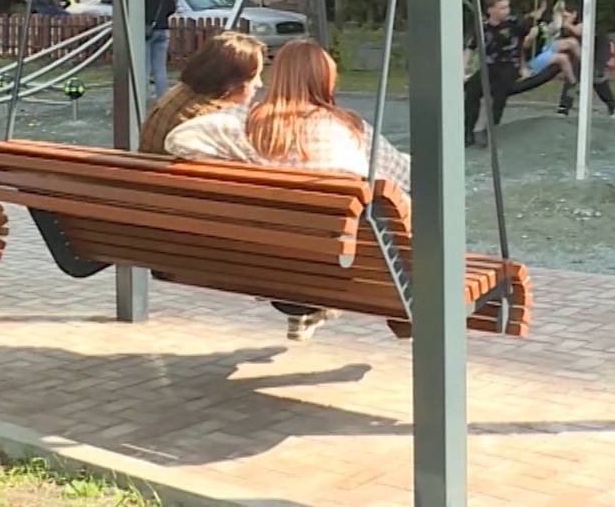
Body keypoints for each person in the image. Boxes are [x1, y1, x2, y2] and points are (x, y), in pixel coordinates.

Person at [235, 38, 411, 341]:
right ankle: (403, 312)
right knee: (398, 199)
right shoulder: (346, 126)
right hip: (342, 266)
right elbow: (405, 177)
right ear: (325, 79)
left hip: (270, 266)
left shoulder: (246, 124)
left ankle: (304, 309)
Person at [137, 30, 266, 154]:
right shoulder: (213, 122)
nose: (259, 84)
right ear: (233, 80)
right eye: (254, 77)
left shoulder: (178, 94)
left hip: (146, 167)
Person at [463, 0, 560, 147]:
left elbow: (537, 34)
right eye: (502, 8)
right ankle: (467, 132)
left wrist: (525, 60)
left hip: (510, 65)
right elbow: (469, 48)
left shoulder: (515, 23)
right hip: (489, 66)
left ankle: (489, 131)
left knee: (500, 91)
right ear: (490, 10)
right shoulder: (481, 27)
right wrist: (463, 71)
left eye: (507, 7)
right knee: (471, 91)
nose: (506, 11)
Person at [554, 0, 615, 118]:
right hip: (581, 54)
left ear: (574, 14)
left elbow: (580, 31)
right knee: (572, 77)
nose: (564, 19)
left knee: (597, 78)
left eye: (566, 16)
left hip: (598, 51)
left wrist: (567, 25)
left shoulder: (586, 22)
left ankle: (612, 106)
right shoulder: (566, 26)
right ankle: (564, 108)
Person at [143, 0, 177, 98]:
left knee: (144, 68)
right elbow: (171, 7)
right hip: (162, 28)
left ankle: (141, 99)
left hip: (144, 29)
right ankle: (163, 99)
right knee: (160, 68)